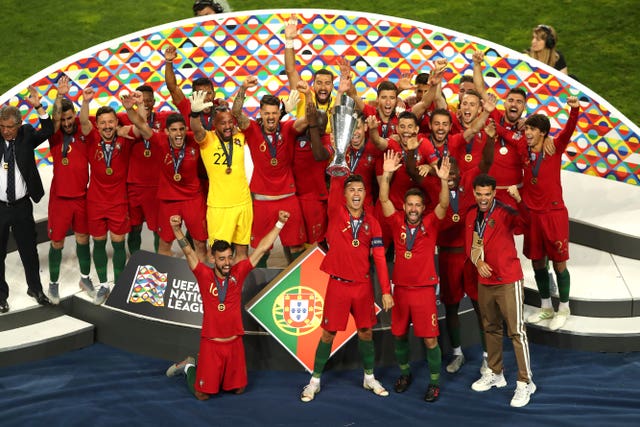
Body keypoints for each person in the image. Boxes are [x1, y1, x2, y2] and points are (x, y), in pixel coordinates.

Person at [166, 210, 290, 400]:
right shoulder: (203, 275)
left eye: (229, 257)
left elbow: (262, 249)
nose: (227, 263)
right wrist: (177, 229)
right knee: (202, 395)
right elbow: (188, 251)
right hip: (211, 344)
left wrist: (279, 224)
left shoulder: (238, 273)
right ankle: (189, 367)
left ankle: (220, 377)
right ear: (213, 259)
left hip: (234, 344)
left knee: (239, 390)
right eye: (222, 258)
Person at [300, 174, 394, 403]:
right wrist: (338, 165)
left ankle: (369, 378)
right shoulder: (336, 214)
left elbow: (380, 258)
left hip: (362, 286)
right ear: (344, 194)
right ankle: (314, 381)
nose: (356, 194)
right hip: (338, 285)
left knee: (366, 332)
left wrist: (385, 290)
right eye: (351, 189)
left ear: (365, 194)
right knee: (327, 334)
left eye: (360, 190)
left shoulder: (372, 223)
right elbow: (334, 192)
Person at [498, 97, 580, 331]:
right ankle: (546, 307)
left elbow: (568, 130)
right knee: (537, 262)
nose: (528, 132)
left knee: (559, 263)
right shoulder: (523, 147)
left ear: (543, 133)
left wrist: (574, 109)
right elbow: (506, 134)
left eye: (533, 129)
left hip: (553, 214)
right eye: (528, 128)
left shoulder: (554, 148)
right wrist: (493, 122)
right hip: (531, 214)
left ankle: (563, 307)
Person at [379, 149, 450, 402]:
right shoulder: (397, 221)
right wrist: (386, 175)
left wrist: (442, 179)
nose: (413, 209)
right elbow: (384, 201)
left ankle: (433, 382)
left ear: (422, 208)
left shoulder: (431, 224)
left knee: (430, 339)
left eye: (417, 205)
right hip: (401, 290)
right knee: (398, 334)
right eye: (410, 204)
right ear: (405, 206)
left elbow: (443, 204)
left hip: (424, 291)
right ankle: (405, 373)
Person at [466, 174, 535, 408]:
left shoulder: (506, 211)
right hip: (485, 282)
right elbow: (470, 245)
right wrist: (478, 263)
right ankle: (496, 373)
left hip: (508, 280)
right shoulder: (471, 215)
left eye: (487, 194)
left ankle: (525, 382)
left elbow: (526, 224)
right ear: (474, 193)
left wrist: (520, 200)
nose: (483, 198)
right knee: (491, 328)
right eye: (479, 194)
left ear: (494, 193)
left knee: (516, 332)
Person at [121, 93, 208, 262]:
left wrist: (195, 114)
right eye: (174, 130)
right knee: (164, 244)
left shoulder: (192, 139)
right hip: (169, 200)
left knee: (200, 243)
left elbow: (198, 130)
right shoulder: (160, 140)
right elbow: (140, 123)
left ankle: (199, 281)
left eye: (182, 129)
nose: (178, 134)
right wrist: (128, 108)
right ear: (166, 131)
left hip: (193, 199)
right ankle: (165, 278)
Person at [232, 76, 307, 265]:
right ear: (261, 113)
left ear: (279, 113)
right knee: (261, 249)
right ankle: (259, 289)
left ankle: (297, 284)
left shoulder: (288, 128)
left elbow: (310, 119)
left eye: (274, 113)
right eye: (267, 113)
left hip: (288, 198)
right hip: (262, 202)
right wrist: (243, 88)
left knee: (297, 247)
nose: (271, 117)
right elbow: (235, 113)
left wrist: (308, 95)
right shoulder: (252, 130)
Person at [0, 86, 53, 313]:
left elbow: (49, 129)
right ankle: (1, 297)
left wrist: (39, 106)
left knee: (29, 251)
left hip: (22, 206)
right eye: (1, 127)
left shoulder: (27, 135)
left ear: (19, 125)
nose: (5, 132)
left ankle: (35, 289)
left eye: (9, 127)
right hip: (0, 208)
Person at [79, 87, 131, 304]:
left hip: (119, 202)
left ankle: (118, 286)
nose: (108, 126)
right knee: (98, 243)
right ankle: (102, 285)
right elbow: (82, 122)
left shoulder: (126, 138)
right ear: (97, 125)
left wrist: (131, 108)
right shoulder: (91, 138)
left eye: (111, 122)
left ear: (116, 124)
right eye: (103, 123)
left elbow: (140, 127)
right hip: (96, 201)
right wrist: (85, 102)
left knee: (119, 244)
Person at [47, 76, 94, 303]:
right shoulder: (55, 136)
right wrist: (60, 95)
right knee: (57, 242)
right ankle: (53, 284)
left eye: (69, 118)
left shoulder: (83, 133)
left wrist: (84, 102)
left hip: (81, 197)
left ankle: (85, 278)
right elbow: (54, 119)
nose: (66, 122)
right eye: (63, 119)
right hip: (60, 199)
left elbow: (87, 121)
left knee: (83, 239)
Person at [189, 92, 252, 260]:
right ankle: (216, 285)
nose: (228, 126)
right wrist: (194, 114)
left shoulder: (240, 137)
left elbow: (247, 122)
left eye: (230, 122)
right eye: (223, 123)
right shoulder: (207, 139)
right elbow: (196, 128)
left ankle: (240, 285)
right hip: (219, 207)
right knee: (216, 254)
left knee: (242, 252)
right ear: (215, 124)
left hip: (243, 203)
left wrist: (243, 88)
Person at [118, 84, 172, 255]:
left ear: (154, 101)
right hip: (134, 184)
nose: (146, 103)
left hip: (158, 184)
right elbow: (103, 122)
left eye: (149, 100)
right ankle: (135, 260)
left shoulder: (165, 119)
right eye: (142, 100)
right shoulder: (126, 117)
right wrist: (119, 130)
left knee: (159, 228)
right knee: (134, 227)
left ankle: (159, 260)